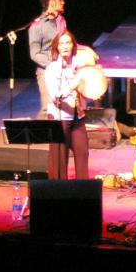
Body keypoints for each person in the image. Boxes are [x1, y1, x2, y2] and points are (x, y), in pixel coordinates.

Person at [44, 30, 91, 180]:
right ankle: (59, 190)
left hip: (78, 116)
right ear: (57, 47)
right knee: (59, 161)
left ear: (73, 45)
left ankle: (83, 189)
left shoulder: (81, 66)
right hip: (60, 117)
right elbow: (54, 96)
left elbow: (90, 88)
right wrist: (72, 86)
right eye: (61, 43)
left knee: (82, 153)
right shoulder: (52, 68)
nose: (65, 46)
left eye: (68, 43)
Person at [28, 0, 66, 118]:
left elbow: (66, 42)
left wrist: (84, 49)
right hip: (46, 71)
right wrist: (53, 64)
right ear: (51, 2)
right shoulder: (37, 26)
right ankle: (37, 131)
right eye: (60, 0)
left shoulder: (61, 20)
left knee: (62, 108)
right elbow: (34, 54)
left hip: (62, 69)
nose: (63, 2)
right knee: (47, 109)